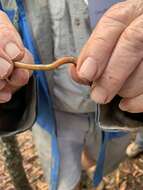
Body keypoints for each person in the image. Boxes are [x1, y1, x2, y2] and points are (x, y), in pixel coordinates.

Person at [0, 0, 143, 190]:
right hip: (52, 112)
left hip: (112, 109)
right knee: (64, 180)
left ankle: (87, 172)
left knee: (104, 159)